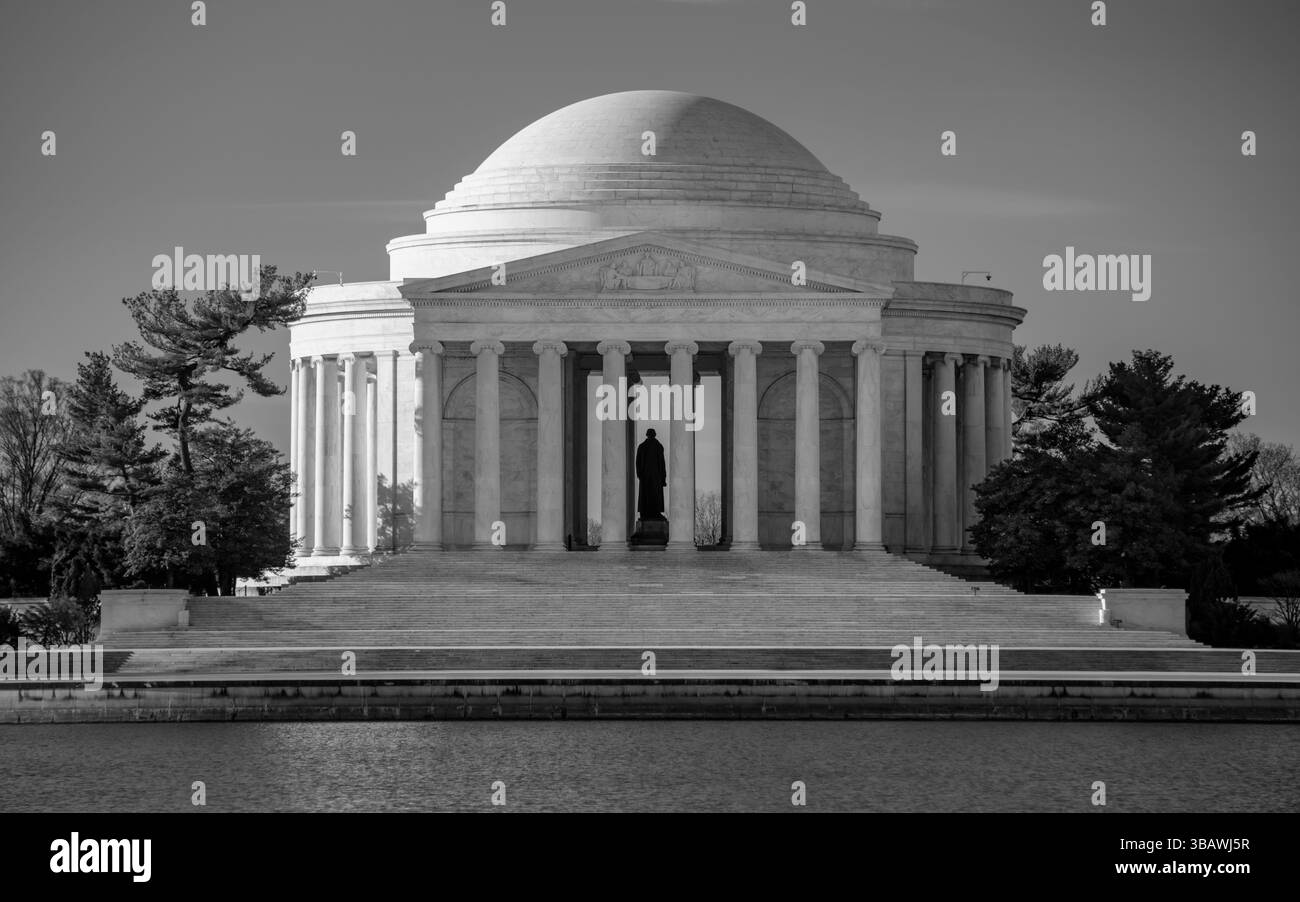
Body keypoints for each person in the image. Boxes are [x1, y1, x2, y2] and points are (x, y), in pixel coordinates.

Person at [635, 429, 667, 519]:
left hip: (647, 476)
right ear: (654, 435)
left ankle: (646, 513)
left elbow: (637, 462)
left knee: (647, 496)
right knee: (654, 495)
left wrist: (639, 474)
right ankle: (654, 513)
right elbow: (662, 463)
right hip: (655, 477)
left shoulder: (642, 446)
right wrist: (663, 478)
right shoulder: (658, 446)